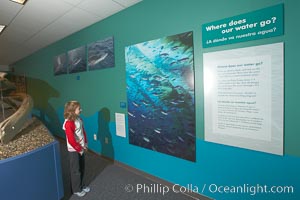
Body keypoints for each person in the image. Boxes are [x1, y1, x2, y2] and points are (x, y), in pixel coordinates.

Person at [63, 100, 90, 197]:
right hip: (74, 150)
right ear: (72, 110)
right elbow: (71, 140)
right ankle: (76, 189)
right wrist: (79, 149)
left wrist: (85, 144)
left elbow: (83, 132)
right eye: (79, 108)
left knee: (82, 167)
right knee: (75, 170)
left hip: (81, 148)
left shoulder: (79, 119)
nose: (81, 110)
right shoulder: (68, 123)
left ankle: (81, 185)